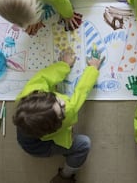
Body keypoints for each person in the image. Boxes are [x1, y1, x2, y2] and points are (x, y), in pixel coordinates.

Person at [13, 49, 104, 183]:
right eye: (61, 109)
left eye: (55, 100)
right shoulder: (68, 112)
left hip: (28, 133)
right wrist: (93, 69)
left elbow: (45, 76)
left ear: (41, 94)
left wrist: (64, 65)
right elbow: (81, 93)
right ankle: (65, 176)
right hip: (39, 147)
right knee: (84, 144)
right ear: (58, 123)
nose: (63, 103)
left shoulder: (30, 92)